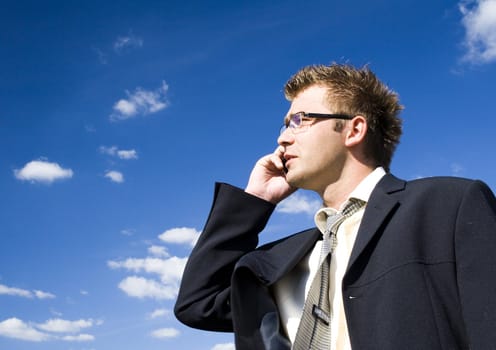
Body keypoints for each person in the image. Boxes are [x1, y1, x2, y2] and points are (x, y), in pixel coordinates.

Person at [174, 63, 496, 350]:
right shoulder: (285, 261)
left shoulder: (448, 208)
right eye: (285, 124)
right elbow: (197, 301)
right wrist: (256, 201)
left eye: (299, 120)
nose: (283, 138)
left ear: (354, 130)